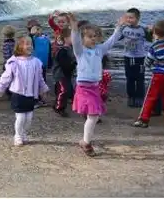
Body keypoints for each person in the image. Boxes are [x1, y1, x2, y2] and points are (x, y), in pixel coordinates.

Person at [69, 14, 124, 157]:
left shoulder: (99, 50)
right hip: (83, 87)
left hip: (94, 87)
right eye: (89, 36)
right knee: (92, 116)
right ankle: (86, 142)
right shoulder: (80, 51)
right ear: (83, 38)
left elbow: (111, 41)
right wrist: (74, 28)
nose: (93, 39)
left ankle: (85, 141)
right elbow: (75, 40)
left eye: (95, 36)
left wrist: (118, 27)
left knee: (92, 116)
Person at [0, 37, 49, 146]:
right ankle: (17, 135)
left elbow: (40, 78)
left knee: (29, 118)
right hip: (18, 94)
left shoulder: (36, 62)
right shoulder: (14, 62)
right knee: (21, 117)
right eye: (26, 44)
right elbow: (6, 77)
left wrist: (43, 89)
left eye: (30, 44)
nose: (29, 46)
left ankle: (24, 132)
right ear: (19, 47)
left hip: (31, 94)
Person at [119, 8, 152, 108]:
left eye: (131, 18)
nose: (129, 20)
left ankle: (139, 98)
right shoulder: (124, 28)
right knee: (129, 78)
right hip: (128, 57)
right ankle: (131, 97)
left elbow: (151, 39)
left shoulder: (143, 29)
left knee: (140, 78)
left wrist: (150, 31)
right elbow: (116, 37)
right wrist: (118, 26)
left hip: (140, 58)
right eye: (127, 18)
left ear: (137, 18)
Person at [52, 28, 75, 117]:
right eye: (72, 37)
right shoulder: (63, 50)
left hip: (67, 74)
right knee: (63, 91)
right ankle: (58, 107)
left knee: (67, 90)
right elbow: (64, 65)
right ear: (66, 38)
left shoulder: (71, 49)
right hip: (61, 74)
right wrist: (74, 64)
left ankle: (62, 104)